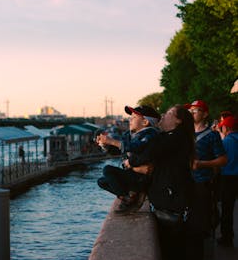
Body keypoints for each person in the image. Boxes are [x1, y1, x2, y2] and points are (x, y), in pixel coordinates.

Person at [143, 105, 196, 260]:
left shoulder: (176, 138)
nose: (163, 115)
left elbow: (148, 152)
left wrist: (149, 130)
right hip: (170, 202)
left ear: (178, 120)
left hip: (171, 204)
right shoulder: (173, 137)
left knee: (172, 250)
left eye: (168, 113)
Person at [96, 105, 160, 213]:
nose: (130, 120)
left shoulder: (151, 134)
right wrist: (105, 145)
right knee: (102, 181)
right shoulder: (129, 135)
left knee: (107, 169)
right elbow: (119, 150)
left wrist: (111, 141)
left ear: (145, 122)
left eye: (134, 117)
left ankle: (128, 198)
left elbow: (136, 146)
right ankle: (131, 195)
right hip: (132, 175)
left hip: (141, 177)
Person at [184, 100, 227, 258]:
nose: (192, 113)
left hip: (203, 184)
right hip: (185, 184)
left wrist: (202, 164)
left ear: (205, 114)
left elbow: (223, 160)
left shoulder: (212, 135)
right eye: (190, 111)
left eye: (196, 110)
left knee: (201, 225)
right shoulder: (185, 134)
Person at [216, 115, 238, 247]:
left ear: (226, 127)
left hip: (228, 178)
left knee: (227, 210)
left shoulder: (226, 142)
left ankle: (227, 238)